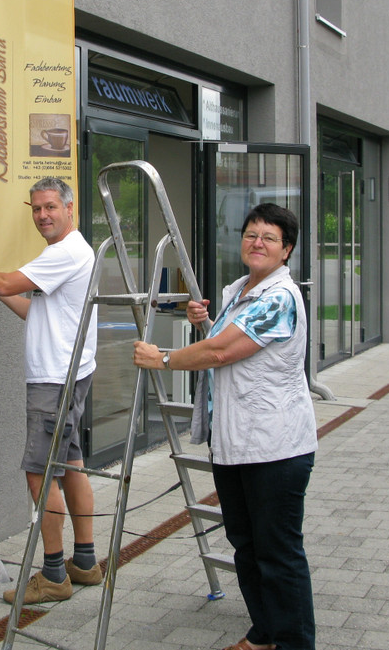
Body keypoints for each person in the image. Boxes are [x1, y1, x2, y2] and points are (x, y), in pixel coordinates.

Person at [133, 203, 317, 650]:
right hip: (234, 442)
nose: (257, 243)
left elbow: (221, 353)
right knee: (246, 546)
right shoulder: (241, 289)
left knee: (278, 552)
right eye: (251, 234)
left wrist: (163, 358)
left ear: (286, 250)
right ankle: (264, 634)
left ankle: (294, 643)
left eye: (269, 238)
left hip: (276, 447)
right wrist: (207, 324)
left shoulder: (279, 297)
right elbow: (229, 344)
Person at [0, 177, 102, 604]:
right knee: (71, 465)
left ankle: (53, 574)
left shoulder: (65, 252)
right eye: (37, 208)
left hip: (54, 381)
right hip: (71, 374)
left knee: (39, 473)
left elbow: (6, 282)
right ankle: (86, 562)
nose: (42, 215)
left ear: (70, 209)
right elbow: (32, 308)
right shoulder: (71, 252)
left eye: (50, 207)